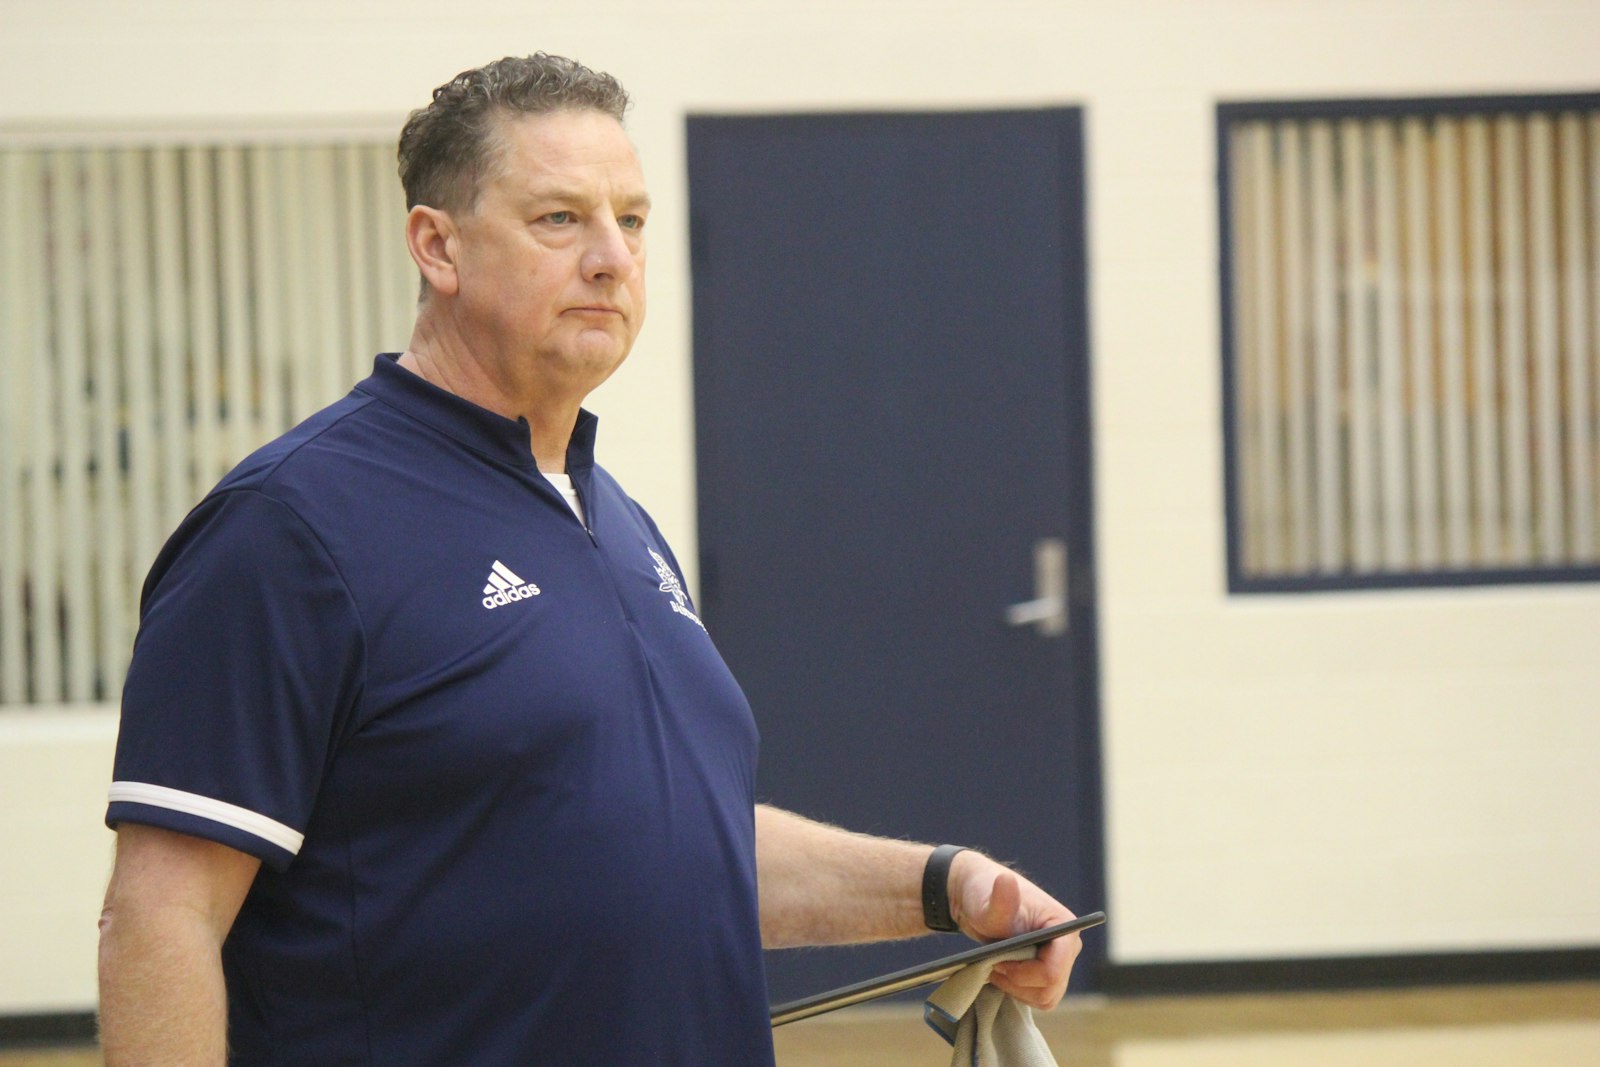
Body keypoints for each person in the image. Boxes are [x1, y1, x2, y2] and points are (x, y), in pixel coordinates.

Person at [96, 53, 1082, 1066]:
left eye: (633, 219)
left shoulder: (614, 519)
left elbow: (677, 844)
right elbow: (161, 918)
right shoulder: (293, 525)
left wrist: (944, 883)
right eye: (560, 219)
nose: (612, 256)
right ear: (436, 246)